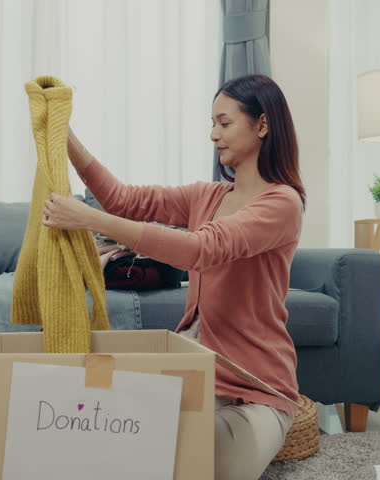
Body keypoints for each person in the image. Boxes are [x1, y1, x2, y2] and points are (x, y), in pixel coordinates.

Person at [42, 73, 306, 480]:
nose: (213, 134)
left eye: (224, 122)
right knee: (112, 428)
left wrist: (89, 220)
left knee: (195, 460)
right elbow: (125, 201)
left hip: (255, 389)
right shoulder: (208, 195)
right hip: (195, 363)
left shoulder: (282, 203)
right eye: (212, 123)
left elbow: (200, 250)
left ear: (262, 124)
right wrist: (64, 135)